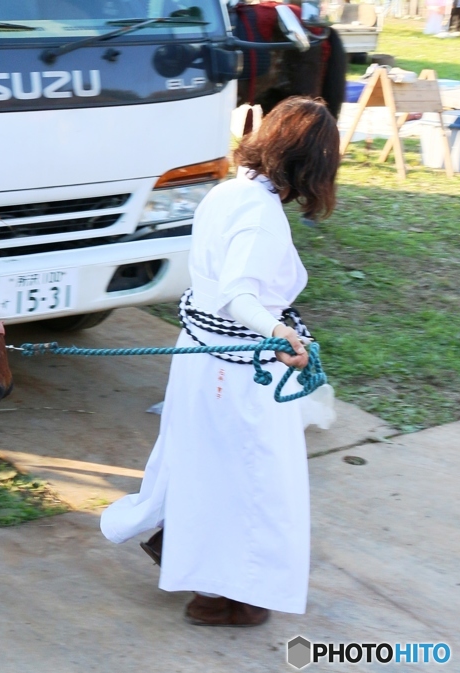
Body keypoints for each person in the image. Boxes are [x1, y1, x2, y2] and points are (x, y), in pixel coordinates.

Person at [100, 97, 340, 627]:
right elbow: (238, 297)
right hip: (236, 368)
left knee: (206, 464)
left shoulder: (230, 191)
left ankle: (192, 560)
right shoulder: (260, 218)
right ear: (314, 165)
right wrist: (281, 333)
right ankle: (230, 592)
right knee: (256, 479)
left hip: (201, 358)